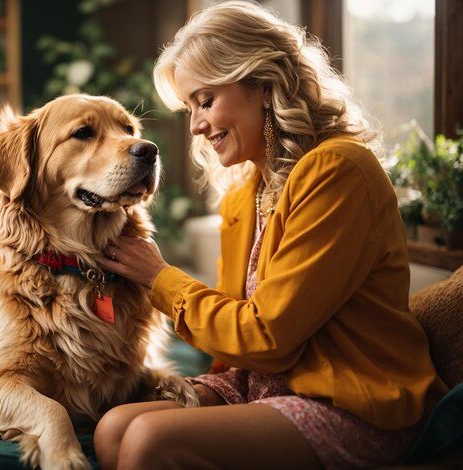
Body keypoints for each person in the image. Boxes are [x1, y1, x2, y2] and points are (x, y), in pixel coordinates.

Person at [95, 1, 447, 469]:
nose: (196, 126)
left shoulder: (337, 169)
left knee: (147, 440)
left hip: (350, 402)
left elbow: (266, 335)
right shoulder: (247, 191)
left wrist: (161, 278)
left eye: (205, 100)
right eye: (189, 108)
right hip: (263, 383)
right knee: (113, 427)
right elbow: (237, 328)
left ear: (262, 83)